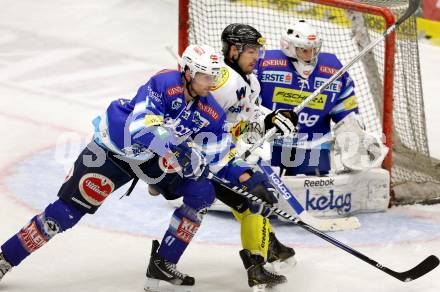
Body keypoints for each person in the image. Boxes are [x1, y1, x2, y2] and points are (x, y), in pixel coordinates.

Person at [0, 44, 279, 292]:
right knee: (63, 215)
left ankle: (164, 262)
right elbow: (141, 129)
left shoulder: (211, 113)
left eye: (216, 77)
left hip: (154, 162)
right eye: (207, 77)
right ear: (188, 73)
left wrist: (250, 181)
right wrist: (182, 151)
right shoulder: (164, 83)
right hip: (114, 151)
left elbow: (220, 157)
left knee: (203, 191)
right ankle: (5, 258)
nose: (212, 83)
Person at [209, 23, 298, 290]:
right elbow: (199, 118)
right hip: (207, 157)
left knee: (250, 199)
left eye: (258, 50)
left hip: (225, 154)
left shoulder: (251, 81)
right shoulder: (221, 80)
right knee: (256, 197)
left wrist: (272, 117)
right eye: (251, 51)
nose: (256, 56)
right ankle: (258, 264)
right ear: (233, 50)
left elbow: (250, 113)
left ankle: (267, 246)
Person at [255, 19, 360, 176]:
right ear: (289, 47)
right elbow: (250, 105)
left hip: (314, 144)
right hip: (270, 142)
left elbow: (345, 108)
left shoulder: (332, 69)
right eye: (304, 50)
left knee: (316, 195)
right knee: (266, 190)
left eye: (313, 49)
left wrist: (352, 129)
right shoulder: (266, 63)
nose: (310, 55)